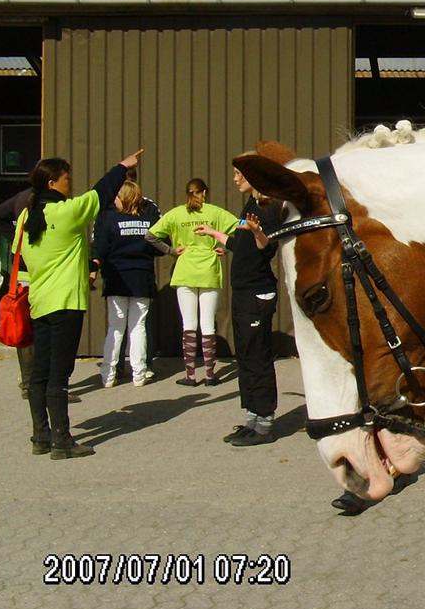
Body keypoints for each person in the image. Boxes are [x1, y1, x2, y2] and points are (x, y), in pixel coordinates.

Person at [15, 149, 142, 458]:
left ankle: (40, 437)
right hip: (66, 302)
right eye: (67, 179)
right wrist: (122, 167)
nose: (70, 184)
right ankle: (62, 441)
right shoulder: (67, 212)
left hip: (40, 300)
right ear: (52, 183)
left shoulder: (25, 216)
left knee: (39, 373)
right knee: (59, 375)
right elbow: (99, 194)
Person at [193, 162, 283, 446]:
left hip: (258, 293)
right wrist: (214, 234)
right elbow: (239, 244)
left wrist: (257, 232)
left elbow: (266, 247)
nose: (234, 179)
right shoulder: (250, 205)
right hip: (243, 292)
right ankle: (252, 418)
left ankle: (265, 424)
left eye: (238, 174)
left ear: (253, 176)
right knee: (244, 354)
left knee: (257, 356)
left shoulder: (269, 208)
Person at [146, 179, 238, 386]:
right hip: (209, 270)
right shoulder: (215, 212)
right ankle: (210, 374)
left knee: (189, 324)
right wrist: (227, 247)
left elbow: (150, 235)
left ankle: (190, 375)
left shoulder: (176, 213)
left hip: (185, 270)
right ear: (204, 192)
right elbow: (240, 226)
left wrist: (171, 251)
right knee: (208, 324)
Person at [90, 180, 160, 387]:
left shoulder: (110, 220)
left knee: (116, 327)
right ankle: (139, 374)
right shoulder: (148, 222)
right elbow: (158, 247)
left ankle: (108, 375)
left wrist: (93, 268)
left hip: (117, 278)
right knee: (138, 327)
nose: (115, 200)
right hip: (142, 278)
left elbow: (100, 248)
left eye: (117, 197)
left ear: (124, 198)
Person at [0, 186, 36, 399]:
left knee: (25, 331)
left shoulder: (22, 198)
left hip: (21, 274)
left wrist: (12, 236)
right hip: (38, 277)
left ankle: (29, 384)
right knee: (41, 331)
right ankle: (41, 385)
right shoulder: (44, 203)